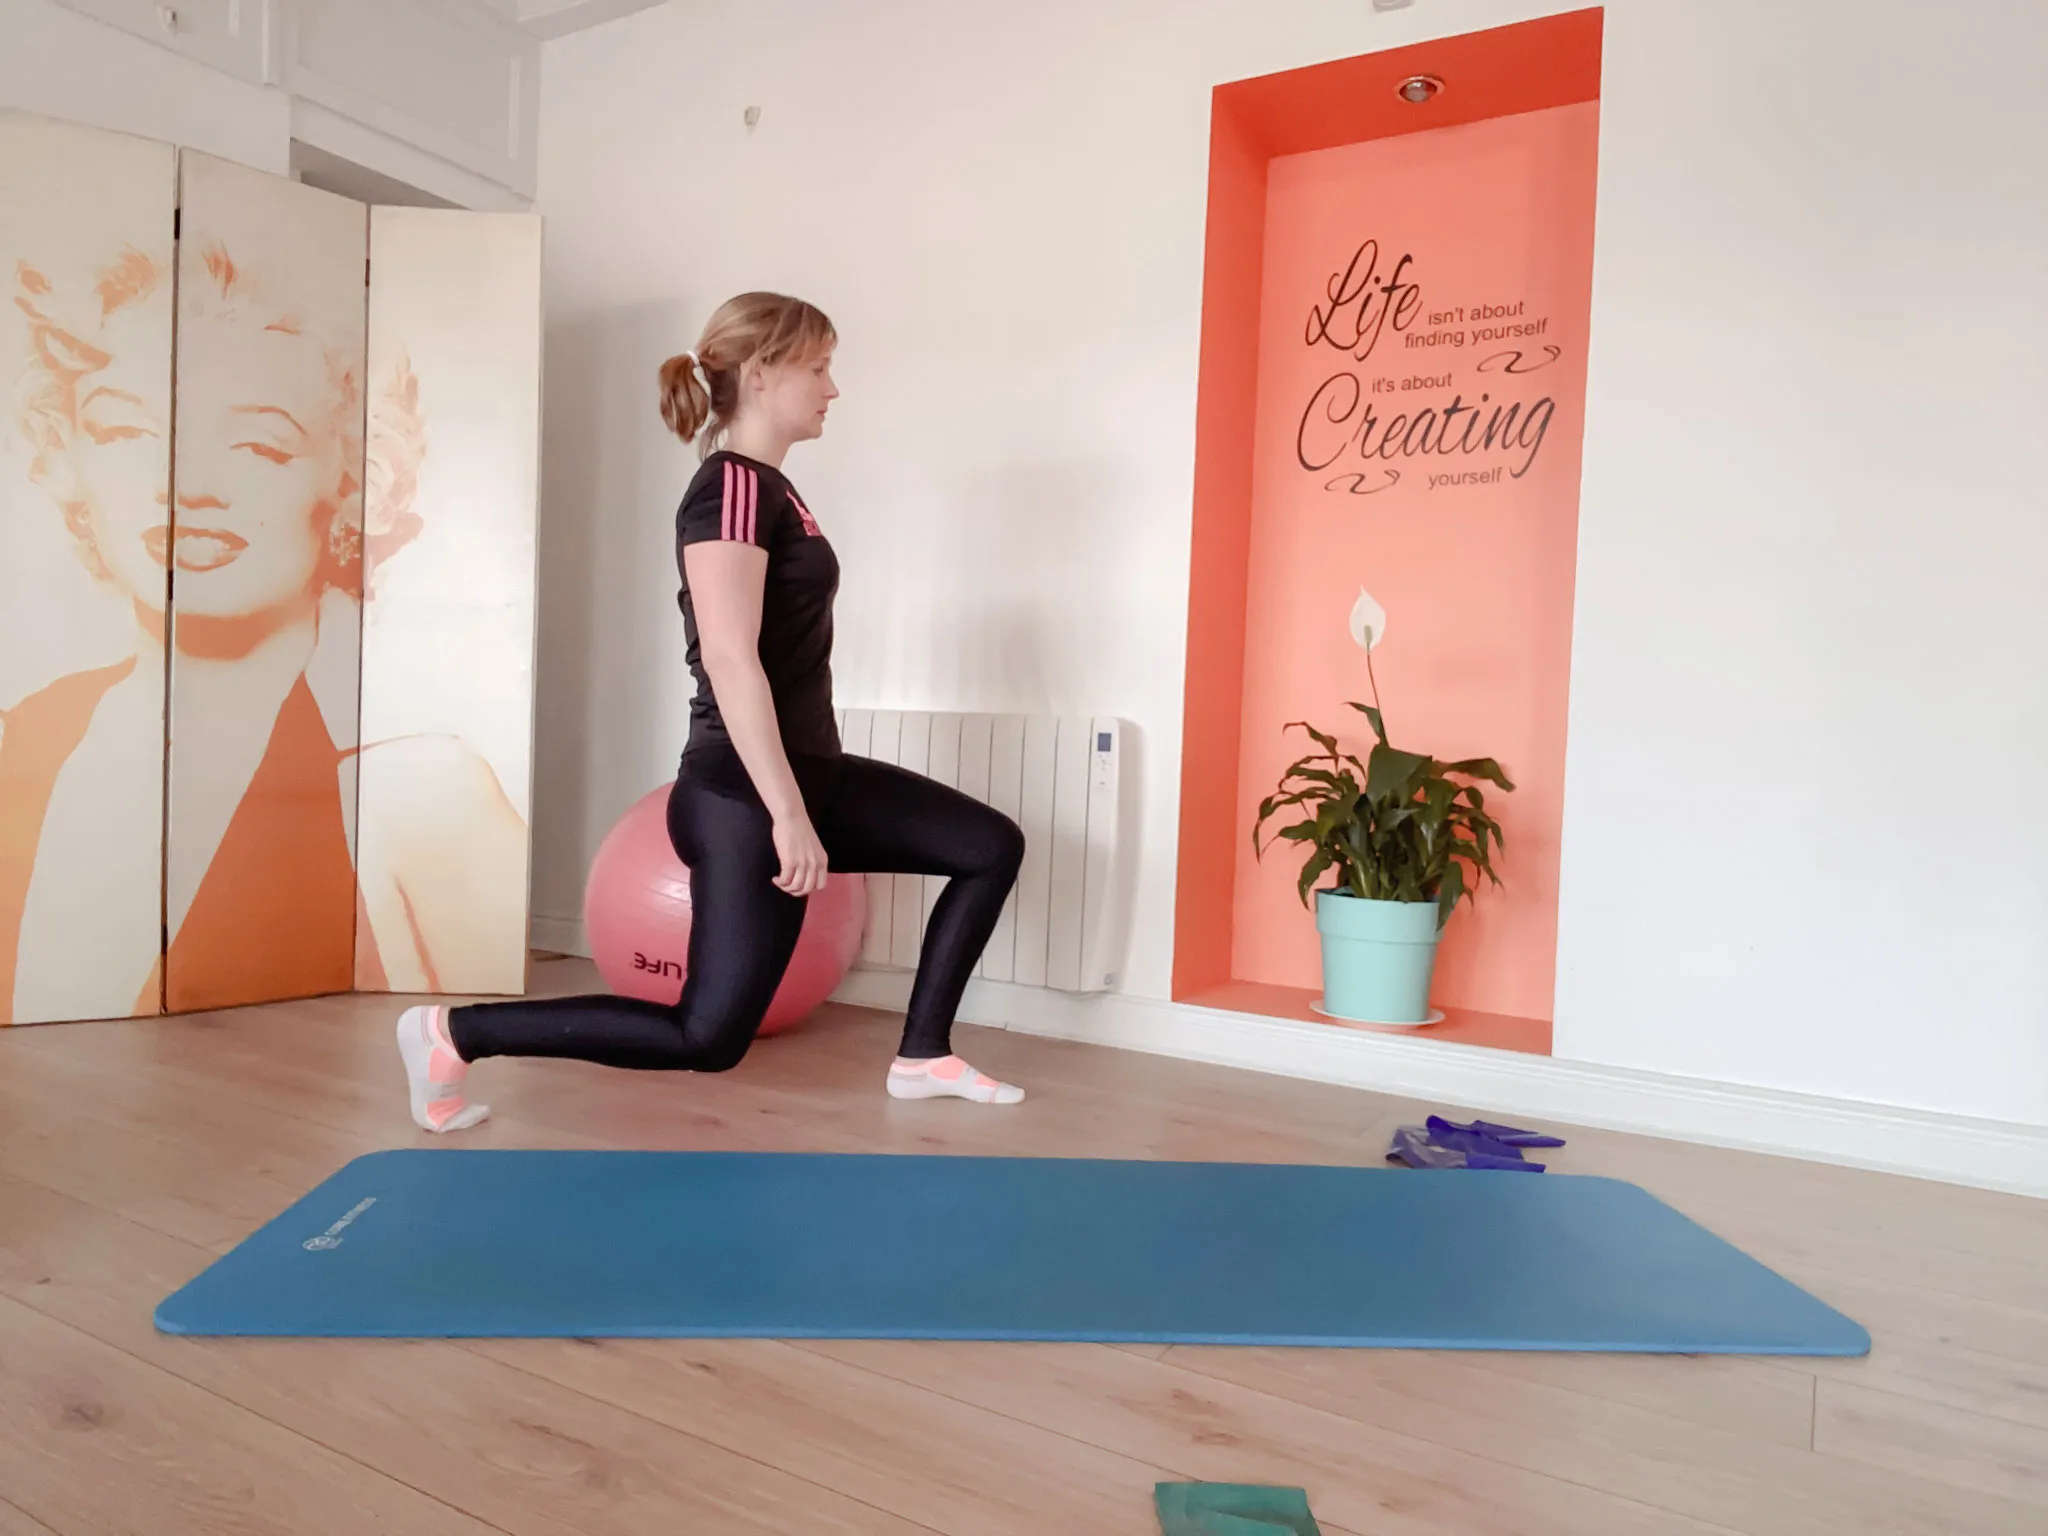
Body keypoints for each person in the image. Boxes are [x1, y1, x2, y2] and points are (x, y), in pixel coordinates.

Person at [397, 293, 1027, 1132]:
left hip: (803, 773)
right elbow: (730, 659)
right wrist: (788, 814)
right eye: (819, 368)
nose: (832, 388)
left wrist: (804, 797)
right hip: (742, 794)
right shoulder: (729, 487)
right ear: (762, 375)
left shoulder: (772, 488)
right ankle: (451, 1032)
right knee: (708, 1034)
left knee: (987, 846)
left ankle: (922, 1055)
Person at [0, 245, 526, 1024]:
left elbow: (496, 1073)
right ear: (66, 461)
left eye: (259, 444)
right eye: (126, 431)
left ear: (349, 484)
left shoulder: (420, 797)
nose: (186, 484)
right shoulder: (23, 740)